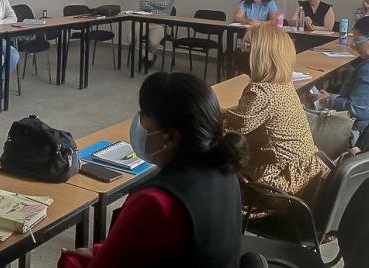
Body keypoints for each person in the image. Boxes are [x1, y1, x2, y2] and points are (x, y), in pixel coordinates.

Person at [59, 72, 247, 268]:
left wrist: (72, 261)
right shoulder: (226, 169)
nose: (140, 132)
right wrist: (102, 251)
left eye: (146, 126)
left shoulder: (155, 202)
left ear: (171, 138)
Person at [225, 24, 324, 202]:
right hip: (303, 176)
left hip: (276, 187)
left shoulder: (261, 93)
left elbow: (230, 132)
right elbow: (241, 117)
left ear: (262, 55)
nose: (240, 50)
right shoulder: (282, 85)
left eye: (246, 47)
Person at [138, 0, 175, 67]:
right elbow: (142, 5)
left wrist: (149, 1)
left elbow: (164, 4)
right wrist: (156, 4)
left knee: (153, 42)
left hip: (160, 23)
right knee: (131, 39)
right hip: (144, 21)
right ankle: (149, 55)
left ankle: (148, 56)